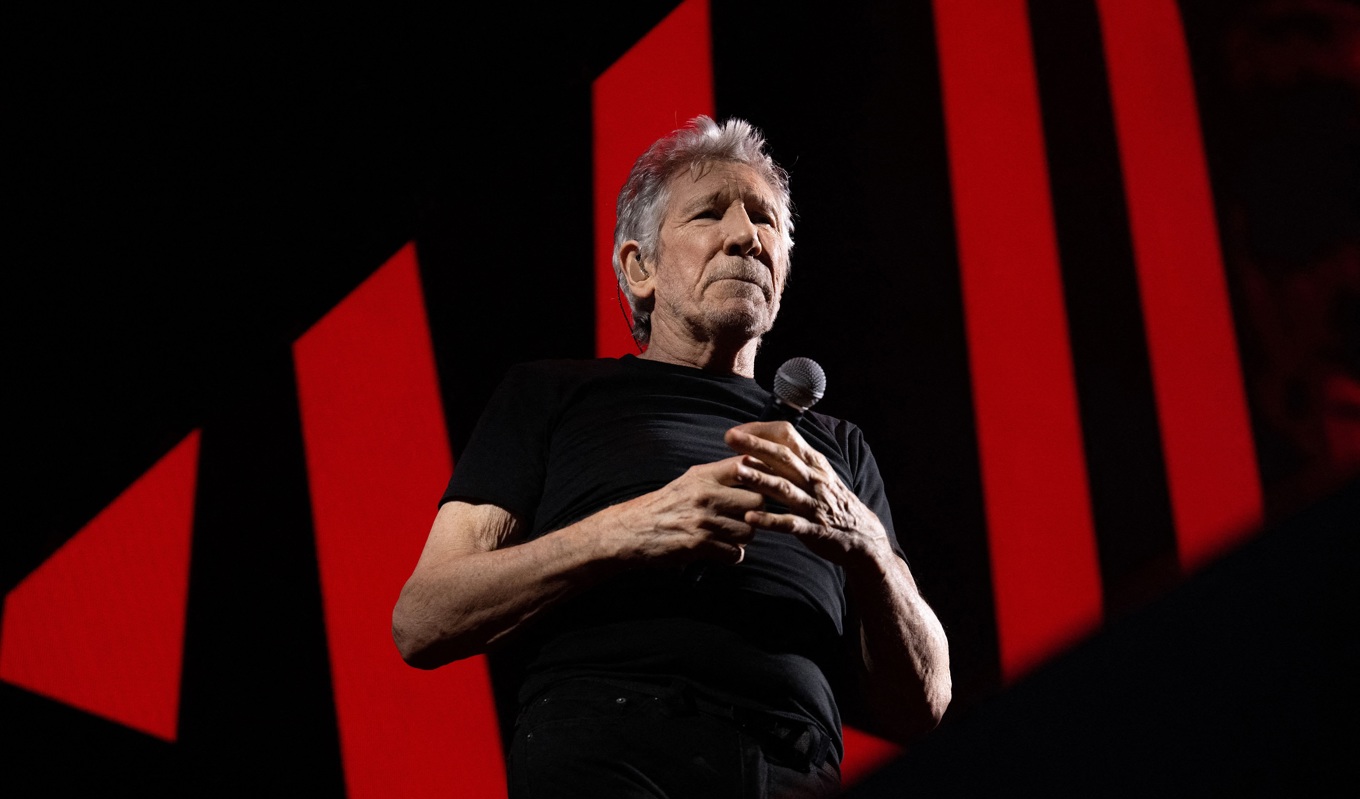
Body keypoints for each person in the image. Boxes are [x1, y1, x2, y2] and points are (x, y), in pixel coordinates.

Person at [392, 115, 951, 798]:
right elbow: (422, 619)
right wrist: (629, 529)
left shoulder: (837, 448)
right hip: (611, 755)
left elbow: (925, 700)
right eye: (710, 213)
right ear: (640, 267)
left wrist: (865, 543)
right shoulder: (556, 395)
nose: (746, 235)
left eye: (765, 221)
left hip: (792, 774)